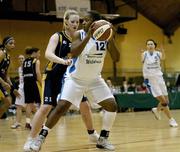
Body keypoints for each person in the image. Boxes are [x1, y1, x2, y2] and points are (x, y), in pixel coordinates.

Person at [30, 10, 120, 151]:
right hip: (75, 79)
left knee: (112, 106)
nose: (83, 22)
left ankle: (103, 139)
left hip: (95, 80)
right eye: (83, 20)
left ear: (95, 23)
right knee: (61, 107)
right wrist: (89, 36)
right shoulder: (79, 34)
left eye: (86, 20)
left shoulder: (104, 37)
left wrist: (111, 37)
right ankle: (40, 138)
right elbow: (75, 51)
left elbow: (116, 58)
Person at [141, 39, 178, 127]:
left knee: (167, 101)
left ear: (154, 45)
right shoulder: (144, 54)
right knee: (164, 102)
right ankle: (171, 120)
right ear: (146, 46)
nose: (150, 45)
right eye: (148, 44)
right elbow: (142, 61)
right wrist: (141, 54)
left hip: (159, 78)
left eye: (152, 44)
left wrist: (163, 51)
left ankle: (157, 110)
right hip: (150, 80)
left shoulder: (158, 53)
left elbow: (163, 58)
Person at [0, 36, 20, 118]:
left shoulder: (8, 57)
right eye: (10, 43)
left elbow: (7, 75)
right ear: (5, 45)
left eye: (14, 43)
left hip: (1, 81)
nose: (13, 45)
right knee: (7, 101)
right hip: (0, 81)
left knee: (8, 101)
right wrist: (3, 82)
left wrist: (13, 88)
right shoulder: (1, 53)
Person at [23, 47, 42, 129]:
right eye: (39, 53)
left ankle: (28, 123)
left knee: (29, 104)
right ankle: (39, 123)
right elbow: (38, 73)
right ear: (34, 53)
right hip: (33, 83)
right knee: (39, 103)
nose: (39, 55)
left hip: (26, 83)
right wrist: (41, 83)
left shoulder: (24, 61)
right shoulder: (36, 61)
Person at [11, 55, 25, 129]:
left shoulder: (27, 67)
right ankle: (18, 123)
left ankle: (41, 122)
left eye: (22, 58)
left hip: (28, 89)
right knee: (18, 106)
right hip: (21, 89)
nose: (21, 60)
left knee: (33, 107)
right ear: (18, 60)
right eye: (19, 59)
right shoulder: (19, 68)